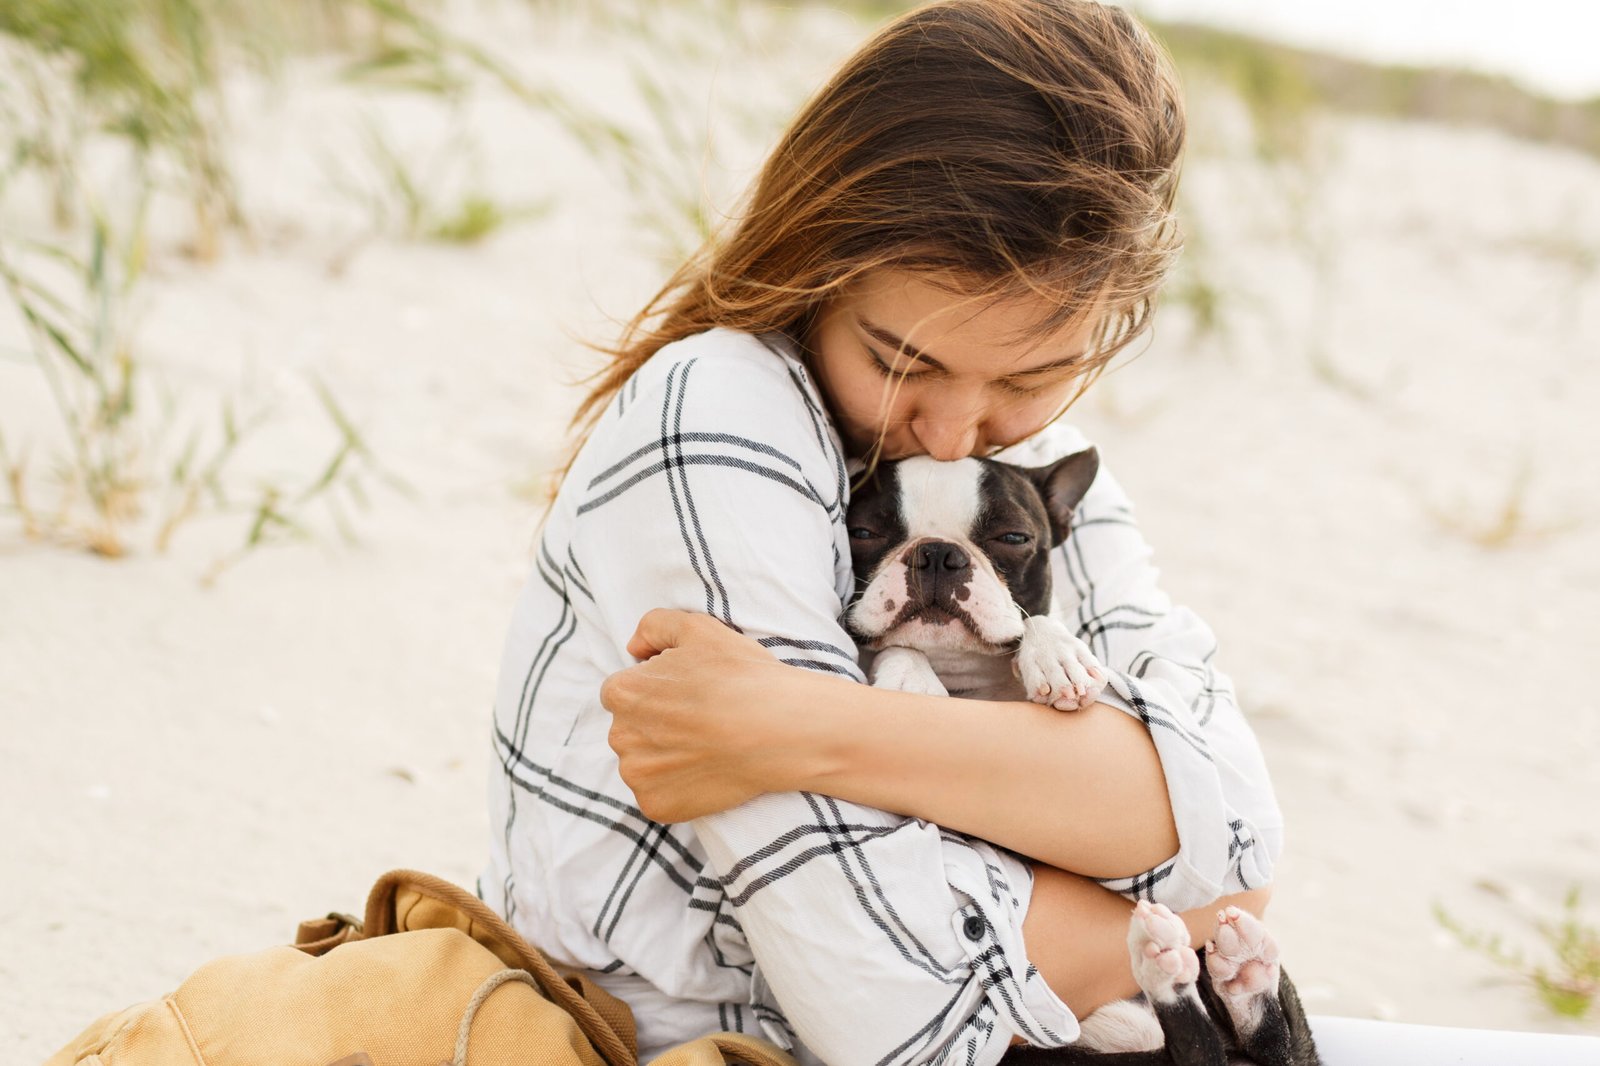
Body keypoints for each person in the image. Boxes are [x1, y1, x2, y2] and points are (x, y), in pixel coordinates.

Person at [480, 3, 1281, 1063]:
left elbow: (1235, 851)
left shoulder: (1030, 472)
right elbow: (894, 1010)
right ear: (813, 257)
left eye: (1031, 377)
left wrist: (799, 725)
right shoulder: (718, 411)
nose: (952, 430)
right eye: (900, 362)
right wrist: (1116, 850)